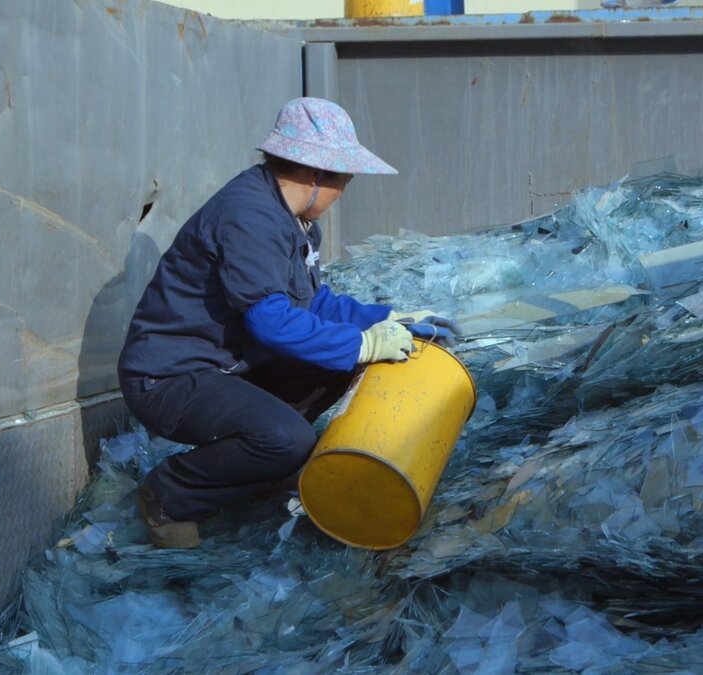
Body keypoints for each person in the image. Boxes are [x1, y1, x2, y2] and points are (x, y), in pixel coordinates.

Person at [117, 97, 458, 549]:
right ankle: (170, 493)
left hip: (224, 365)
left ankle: (259, 463)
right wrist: (363, 344)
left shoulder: (293, 219)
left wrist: (388, 319)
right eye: (346, 179)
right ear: (317, 175)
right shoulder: (249, 217)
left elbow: (311, 302)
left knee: (332, 374)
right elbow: (272, 323)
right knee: (287, 439)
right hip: (168, 376)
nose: (345, 190)